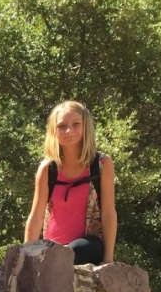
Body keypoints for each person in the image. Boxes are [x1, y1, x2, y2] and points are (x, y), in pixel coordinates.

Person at [24, 100, 117, 265]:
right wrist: (26, 258)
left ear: (85, 126)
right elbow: (36, 217)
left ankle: (58, 259)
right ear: (54, 131)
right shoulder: (48, 168)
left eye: (76, 124)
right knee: (57, 255)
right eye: (62, 126)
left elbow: (109, 213)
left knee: (79, 248)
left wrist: (108, 260)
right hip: (53, 247)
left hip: (88, 246)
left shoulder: (102, 164)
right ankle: (54, 259)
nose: (69, 131)